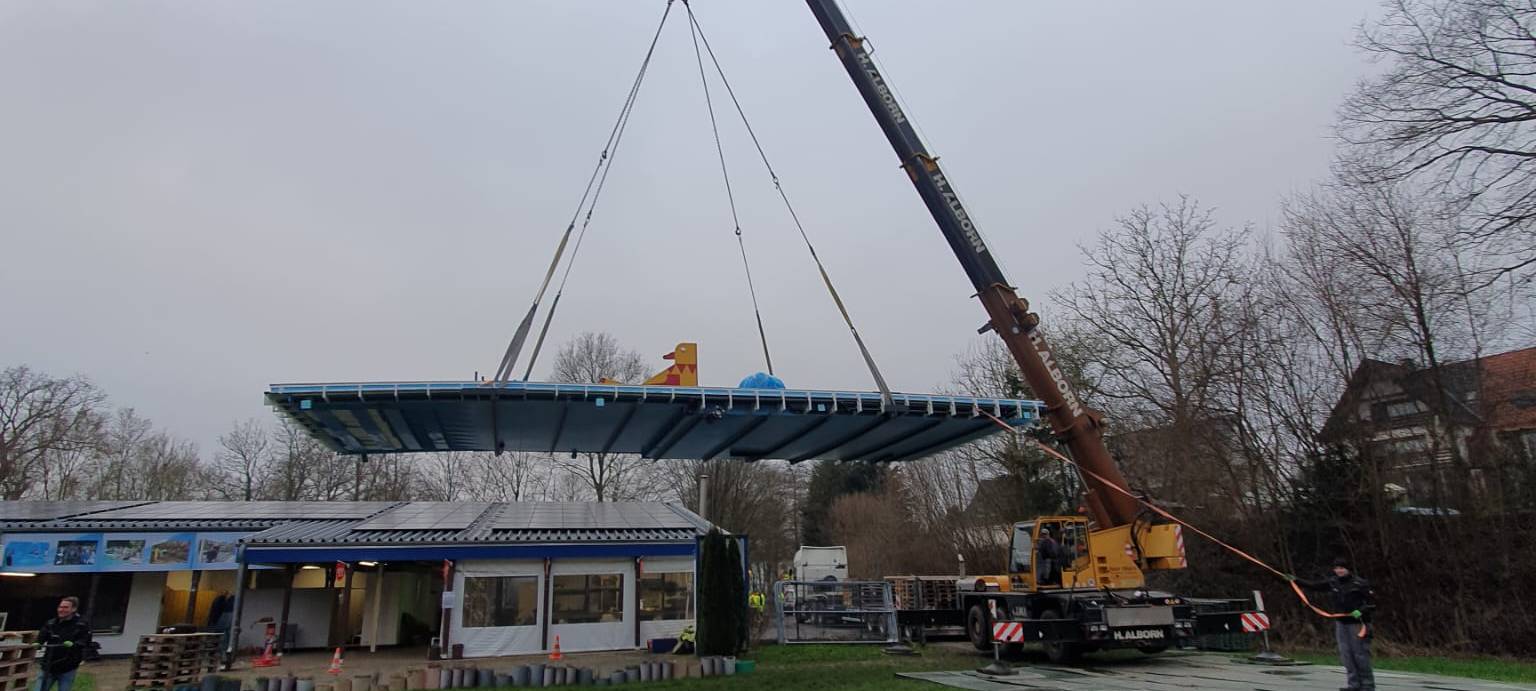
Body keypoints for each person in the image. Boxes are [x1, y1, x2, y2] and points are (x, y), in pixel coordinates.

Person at [1291, 558, 1375, 691]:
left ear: (1348, 569)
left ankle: (1367, 686)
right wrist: (1294, 580)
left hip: (1358, 624)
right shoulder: (1333, 582)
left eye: (1342, 568)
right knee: (1346, 655)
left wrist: (1361, 611)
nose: (1339, 571)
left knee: (1360, 655)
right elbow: (1313, 585)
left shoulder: (1360, 583)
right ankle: (1353, 685)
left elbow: (1372, 603)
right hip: (1341, 624)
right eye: (1337, 568)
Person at [36, 596, 92, 691]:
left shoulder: (81, 625)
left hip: (68, 667)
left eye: (65, 607)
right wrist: (37, 644)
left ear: (74, 609)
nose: (61, 610)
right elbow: (41, 637)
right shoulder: (51, 623)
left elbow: (85, 641)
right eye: (60, 607)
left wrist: (74, 644)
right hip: (48, 666)